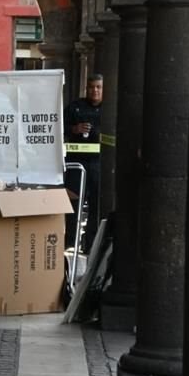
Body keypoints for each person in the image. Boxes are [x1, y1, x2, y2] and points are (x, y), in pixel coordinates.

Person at [64, 73, 102, 254]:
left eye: (98, 87)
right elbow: (59, 126)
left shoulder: (109, 108)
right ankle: (70, 241)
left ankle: (91, 244)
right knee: (73, 202)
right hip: (76, 163)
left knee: (96, 204)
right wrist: (74, 129)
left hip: (98, 164)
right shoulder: (75, 107)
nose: (95, 90)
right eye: (91, 87)